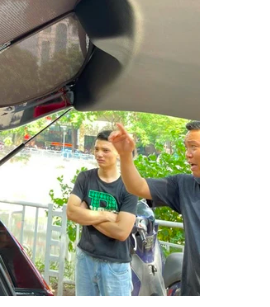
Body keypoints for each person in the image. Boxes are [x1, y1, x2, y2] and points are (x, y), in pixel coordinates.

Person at [109, 121, 200, 296]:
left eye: (194, 147)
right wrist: (125, 155)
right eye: (186, 147)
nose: (187, 154)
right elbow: (137, 186)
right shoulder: (184, 185)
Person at [67, 130, 138, 296]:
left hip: (115, 265)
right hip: (85, 258)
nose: (99, 154)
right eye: (96, 149)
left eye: (105, 150)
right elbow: (71, 212)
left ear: (118, 153)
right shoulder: (85, 178)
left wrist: (86, 213)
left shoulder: (129, 186)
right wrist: (105, 215)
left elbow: (121, 232)